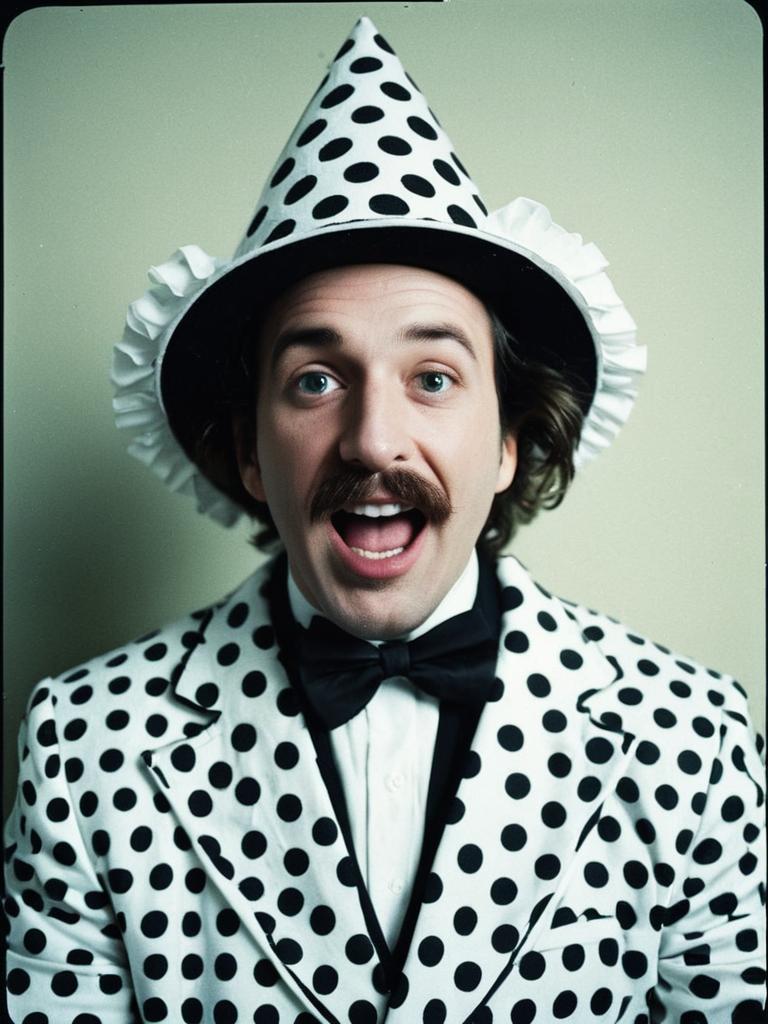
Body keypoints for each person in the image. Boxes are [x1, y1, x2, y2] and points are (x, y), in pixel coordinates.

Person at [4, 16, 764, 1024]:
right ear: (249, 452)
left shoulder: (690, 739)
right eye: (315, 380)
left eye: (433, 376)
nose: (371, 440)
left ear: (509, 442)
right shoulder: (85, 748)